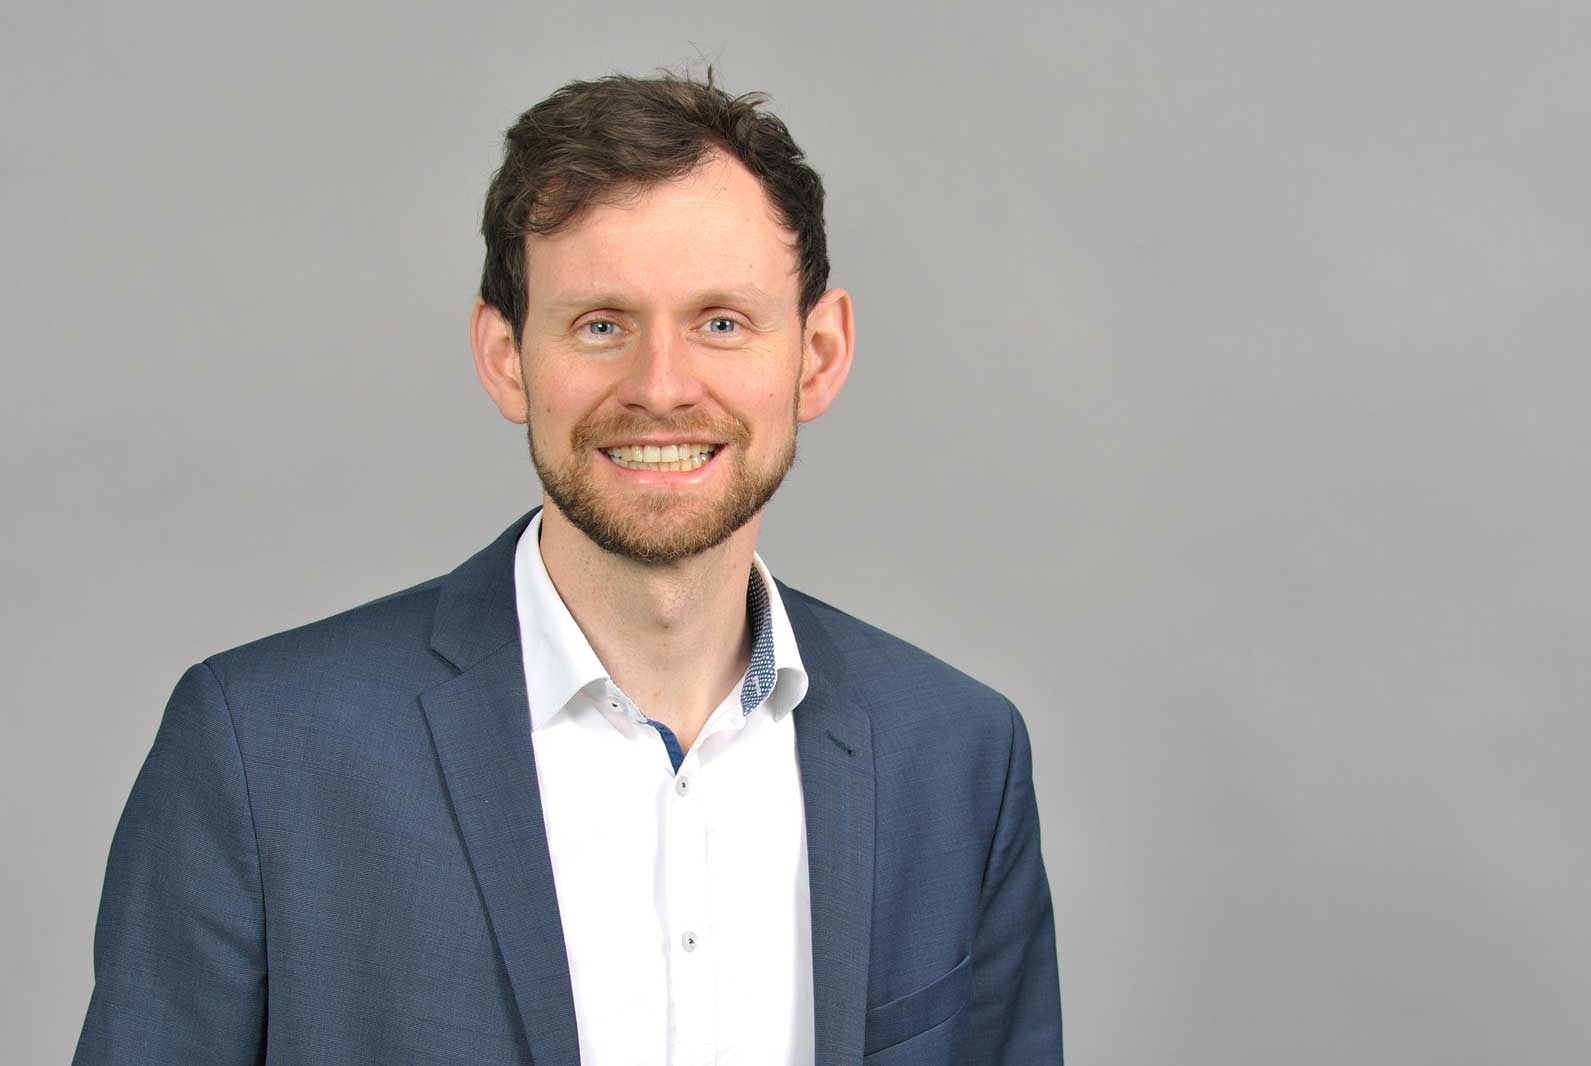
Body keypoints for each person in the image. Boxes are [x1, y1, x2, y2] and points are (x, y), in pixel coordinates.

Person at [72, 70, 1062, 1065]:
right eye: (601, 325)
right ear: (506, 357)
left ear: (818, 354)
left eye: (721, 321)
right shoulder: (260, 751)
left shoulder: (959, 757)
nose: (662, 388)